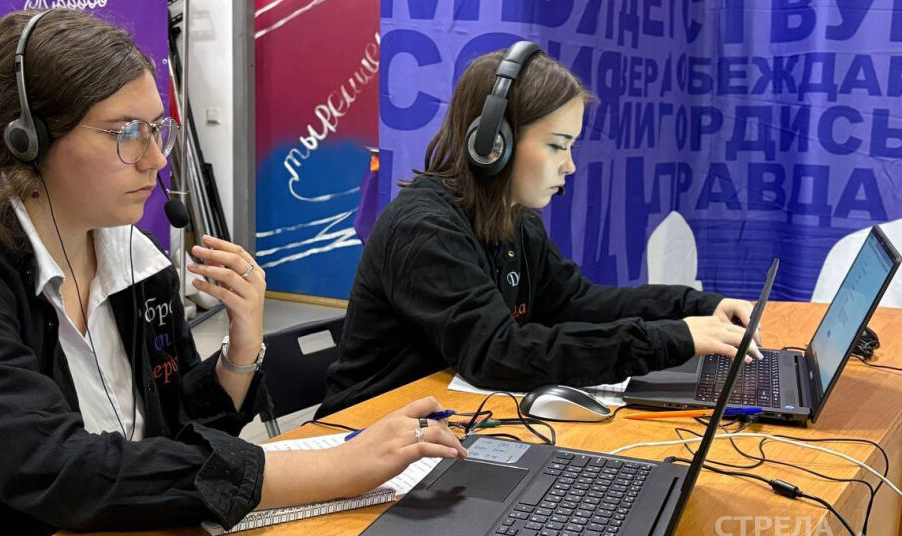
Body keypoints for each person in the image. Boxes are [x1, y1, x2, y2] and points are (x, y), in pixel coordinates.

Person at [0, 9, 467, 536]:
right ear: (30, 139)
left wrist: (241, 348)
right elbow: (56, 468)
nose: (154, 159)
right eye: (126, 133)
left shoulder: (131, 254)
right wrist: (332, 468)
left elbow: (182, 435)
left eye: (156, 130)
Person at [317, 43, 762, 418]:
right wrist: (671, 340)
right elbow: (497, 354)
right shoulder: (425, 230)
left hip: (444, 425)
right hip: (364, 431)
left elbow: (579, 303)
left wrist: (696, 308)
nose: (570, 165)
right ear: (493, 144)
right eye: (556, 145)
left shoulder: (512, 217)